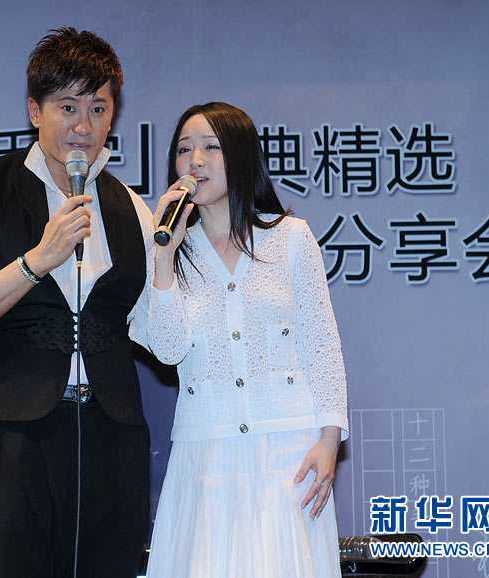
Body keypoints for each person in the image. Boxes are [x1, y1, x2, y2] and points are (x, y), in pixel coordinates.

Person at [0, 27, 155, 578]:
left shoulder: (133, 209)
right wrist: (38, 260)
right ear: (35, 110)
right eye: (67, 107)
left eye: (98, 108)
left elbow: (161, 332)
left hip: (115, 434)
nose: (83, 126)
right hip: (19, 434)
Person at [142, 102, 348, 577]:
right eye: (184, 150)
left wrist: (329, 440)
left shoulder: (290, 238)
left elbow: (322, 344)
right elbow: (168, 350)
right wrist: (164, 258)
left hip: (287, 452)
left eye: (211, 147)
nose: (195, 161)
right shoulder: (172, 250)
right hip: (205, 453)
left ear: (240, 156)